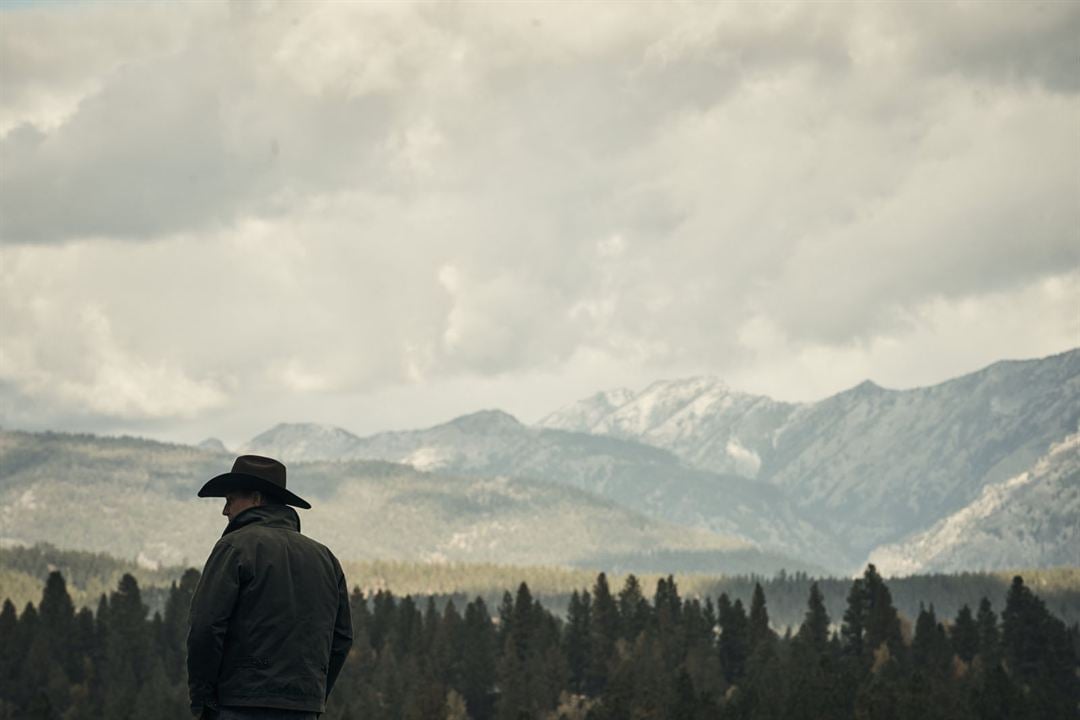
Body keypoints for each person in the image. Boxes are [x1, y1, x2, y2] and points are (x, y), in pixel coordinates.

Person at [188, 455, 353, 720]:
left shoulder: (234, 547)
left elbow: (205, 628)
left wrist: (203, 702)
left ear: (255, 498)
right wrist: (313, 695)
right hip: (304, 709)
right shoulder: (326, 558)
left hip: (239, 705)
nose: (225, 511)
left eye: (230, 500)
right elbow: (342, 638)